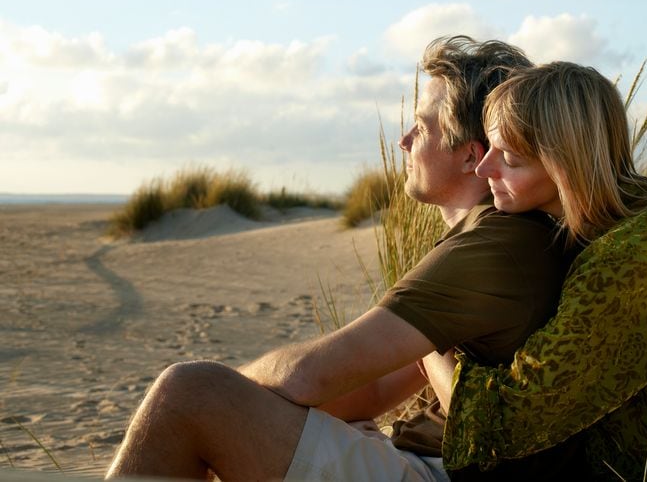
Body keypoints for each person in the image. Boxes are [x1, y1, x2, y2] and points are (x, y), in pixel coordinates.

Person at [105, 36, 582, 481]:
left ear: (469, 155)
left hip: (438, 471)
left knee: (189, 392)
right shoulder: (492, 238)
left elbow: (308, 376)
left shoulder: (493, 248)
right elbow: (371, 390)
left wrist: (231, 394)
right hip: (417, 456)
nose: (404, 142)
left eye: (421, 126)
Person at [430, 61, 647, 480]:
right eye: (490, 148)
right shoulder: (634, 219)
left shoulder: (632, 261)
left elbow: (506, 422)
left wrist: (429, 339)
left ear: (565, 164)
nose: (484, 168)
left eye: (510, 158)